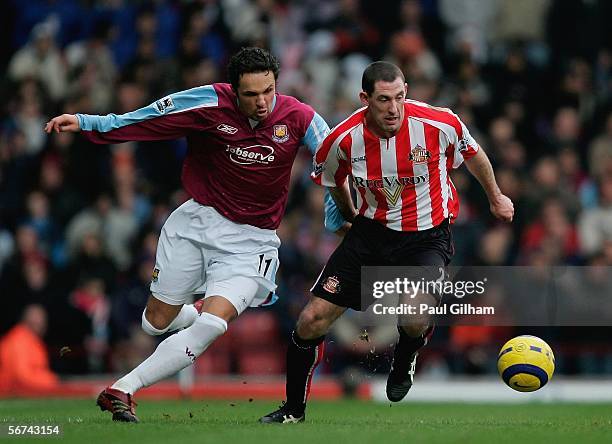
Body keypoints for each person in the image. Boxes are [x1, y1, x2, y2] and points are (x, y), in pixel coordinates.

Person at [44, 47, 345, 422]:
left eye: (268, 90)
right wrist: (89, 122)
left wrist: (343, 217)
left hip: (250, 244)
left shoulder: (300, 117)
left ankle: (123, 388)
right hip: (195, 224)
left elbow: (337, 160)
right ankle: (193, 311)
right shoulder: (207, 102)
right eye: (251, 95)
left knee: (212, 326)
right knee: (154, 322)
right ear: (234, 90)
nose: (262, 102)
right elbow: (148, 119)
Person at [260, 61, 514, 424]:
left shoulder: (440, 123)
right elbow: (334, 180)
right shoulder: (341, 140)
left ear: (406, 91)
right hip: (370, 236)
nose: (393, 108)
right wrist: (349, 217)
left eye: (399, 97)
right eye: (383, 99)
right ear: (365, 98)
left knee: (413, 315)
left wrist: (496, 196)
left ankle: (405, 360)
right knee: (311, 319)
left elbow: (475, 156)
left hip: (426, 237)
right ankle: (293, 411)